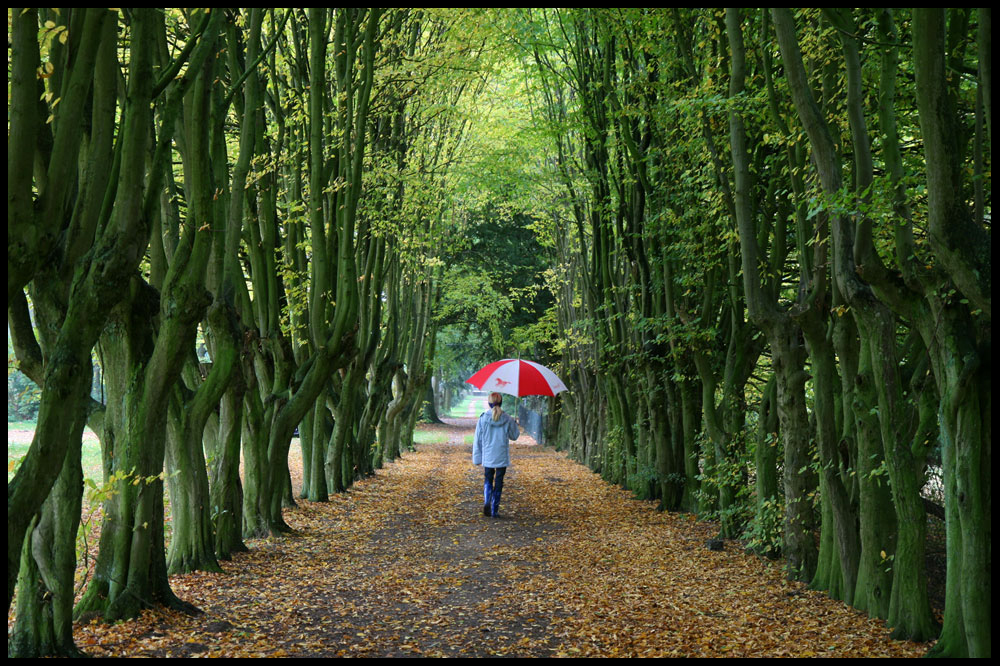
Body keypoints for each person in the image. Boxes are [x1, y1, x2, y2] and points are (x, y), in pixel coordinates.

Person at [472, 392, 520, 517]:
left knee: (488, 479)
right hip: (501, 455)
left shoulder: (483, 419)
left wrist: (477, 458)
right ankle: (494, 510)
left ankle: (487, 500)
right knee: (499, 482)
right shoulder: (508, 419)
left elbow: (478, 439)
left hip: (488, 455)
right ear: (501, 402)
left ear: (489, 403)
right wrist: (514, 424)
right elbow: (514, 436)